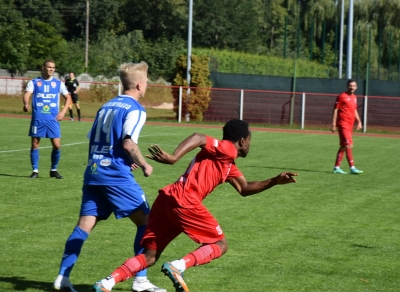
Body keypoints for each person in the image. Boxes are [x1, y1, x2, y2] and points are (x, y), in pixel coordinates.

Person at [92, 119, 299, 292]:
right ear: (243, 140)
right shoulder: (227, 149)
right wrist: (173, 158)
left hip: (167, 200)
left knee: (150, 256)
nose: (250, 144)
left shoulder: (227, 164)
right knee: (220, 245)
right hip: (185, 200)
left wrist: (274, 180)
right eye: (250, 140)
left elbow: (244, 188)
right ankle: (178, 266)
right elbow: (199, 137)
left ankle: (106, 283)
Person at [53, 62, 166, 292]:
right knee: (148, 222)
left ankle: (62, 277)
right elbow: (127, 142)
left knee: (84, 226)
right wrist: (144, 164)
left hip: (94, 171)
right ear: (139, 84)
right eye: (146, 83)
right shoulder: (135, 109)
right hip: (115, 175)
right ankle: (141, 280)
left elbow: (98, 141)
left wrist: (123, 160)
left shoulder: (106, 106)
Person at [23, 59, 72, 179]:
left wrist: (63, 112)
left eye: (53, 68)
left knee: (56, 145)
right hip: (38, 118)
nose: (51, 69)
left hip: (53, 119)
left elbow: (68, 97)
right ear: (43, 68)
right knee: (35, 144)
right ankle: (35, 171)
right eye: (49, 67)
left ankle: (53, 170)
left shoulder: (58, 83)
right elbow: (27, 94)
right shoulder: (34, 82)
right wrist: (25, 103)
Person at [331, 79, 363, 175]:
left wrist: (359, 121)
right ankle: (352, 167)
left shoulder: (354, 97)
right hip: (343, 124)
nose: (352, 87)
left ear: (356, 87)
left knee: (344, 146)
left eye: (354, 86)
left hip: (350, 125)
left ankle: (336, 168)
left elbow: (354, 110)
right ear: (347, 86)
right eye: (350, 85)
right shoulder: (342, 96)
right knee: (349, 145)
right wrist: (333, 124)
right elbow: (335, 110)